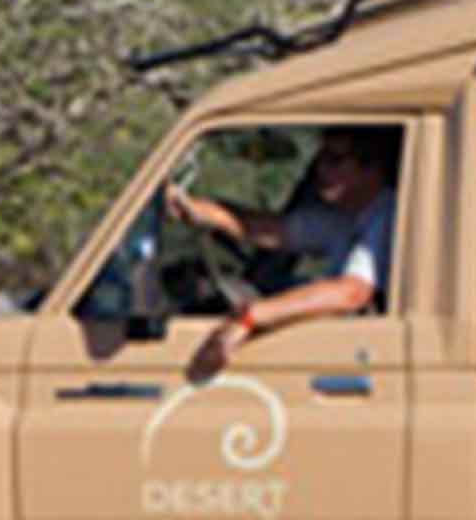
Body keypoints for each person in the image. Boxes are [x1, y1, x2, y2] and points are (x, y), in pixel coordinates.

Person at [168, 124, 397, 379]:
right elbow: (273, 231)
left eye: (335, 160)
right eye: (320, 159)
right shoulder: (348, 218)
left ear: (373, 166)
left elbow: (351, 293)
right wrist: (196, 210)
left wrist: (250, 317)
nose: (322, 170)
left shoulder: (389, 215)